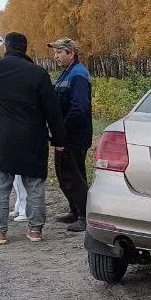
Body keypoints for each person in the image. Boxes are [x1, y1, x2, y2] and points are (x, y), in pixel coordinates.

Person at [0, 32, 66, 246]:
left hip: (2, 140)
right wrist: (59, 139)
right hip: (32, 139)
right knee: (34, 187)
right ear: (25, 48)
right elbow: (52, 110)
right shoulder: (38, 73)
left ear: (6, 47)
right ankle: (35, 230)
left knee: (0, 187)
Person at [47, 37, 92, 231]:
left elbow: (79, 108)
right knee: (64, 174)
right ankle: (74, 210)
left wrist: (62, 132)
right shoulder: (66, 73)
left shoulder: (78, 74)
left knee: (74, 176)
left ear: (71, 53)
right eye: (55, 53)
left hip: (74, 136)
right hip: (66, 134)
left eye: (59, 52)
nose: (56, 56)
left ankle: (84, 215)